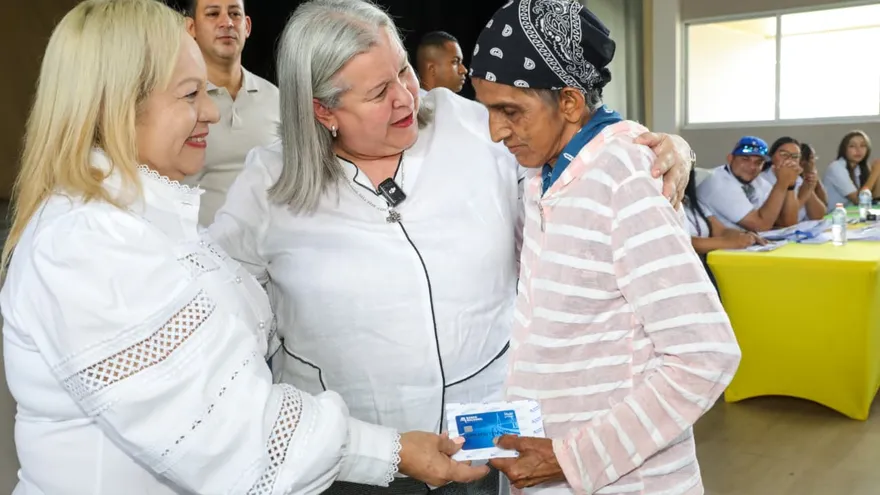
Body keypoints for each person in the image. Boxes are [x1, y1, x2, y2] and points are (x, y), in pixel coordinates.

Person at [0, 1, 489, 493]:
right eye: (191, 94)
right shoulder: (87, 245)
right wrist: (391, 450)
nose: (212, 111)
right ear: (119, 106)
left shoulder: (150, 220)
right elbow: (225, 433)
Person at [209, 0, 696, 493]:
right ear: (323, 109)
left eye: (403, 71)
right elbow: (222, 323)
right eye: (379, 92)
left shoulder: (472, 127)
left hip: (484, 446)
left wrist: (659, 146)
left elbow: (577, 142)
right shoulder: (267, 184)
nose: (405, 97)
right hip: (357, 456)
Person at [467, 0, 741, 493]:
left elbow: (705, 355)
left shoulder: (624, 174)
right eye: (488, 109)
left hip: (626, 481)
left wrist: (573, 458)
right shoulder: (545, 173)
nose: (495, 131)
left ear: (570, 102)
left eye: (509, 111)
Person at [181, 0, 280, 226]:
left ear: (247, 26)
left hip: (270, 251)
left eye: (234, 14)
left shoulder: (276, 99)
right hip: (198, 251)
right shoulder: (175, 100)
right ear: (191, 28)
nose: (226, 22)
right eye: (213, 14)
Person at [698, 136, 800, 231]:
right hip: (714, 246)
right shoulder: (718, 181)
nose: (752, 167)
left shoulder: (757, 181)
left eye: (758, 162)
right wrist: (782, 183)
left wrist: (790, 185)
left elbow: (787, 223)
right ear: (730, 158)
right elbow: (760, 225)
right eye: (745, 159)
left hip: (742, 244)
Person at [759, 137, 826, 220]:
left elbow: (818, 216)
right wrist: (803, 195)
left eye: (795, 156)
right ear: (772, 156)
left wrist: (809, 189)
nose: (789, 159)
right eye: (784, 154)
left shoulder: (797, 178)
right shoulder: (762, 181)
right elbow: (786, 221)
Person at [823, 130, 880, 210]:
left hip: (853, 216)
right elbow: (859, 200)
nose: (858, 150)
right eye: (852, 146)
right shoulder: (836, 167)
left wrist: (877, 174)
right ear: (844, 149)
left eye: (863, 146)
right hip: (834, 217)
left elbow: (874, 200)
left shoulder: (859, 168)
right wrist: (875, 172)